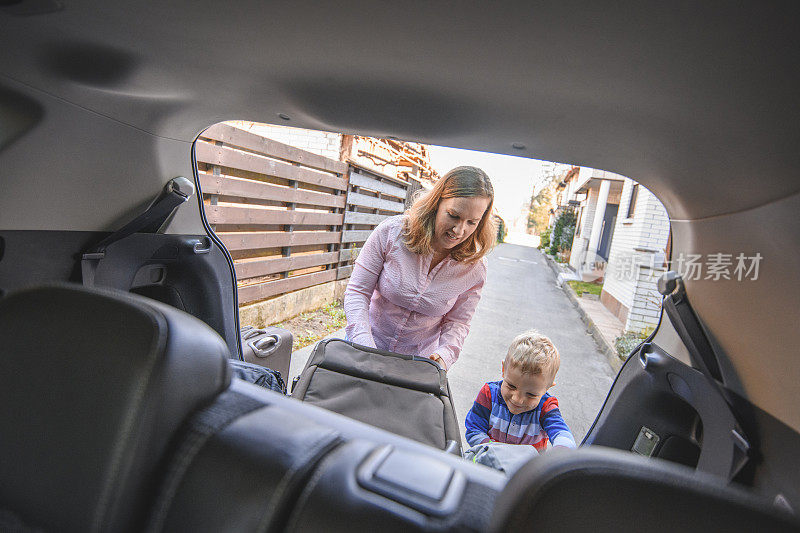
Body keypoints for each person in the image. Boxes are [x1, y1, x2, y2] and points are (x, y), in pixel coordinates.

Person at [343, 166, 495, 369]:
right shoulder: (391, 233)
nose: (459, 230)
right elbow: (357, 292)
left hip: (416, 366)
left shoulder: (475, 268)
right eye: (453, 215)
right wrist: (364, 346)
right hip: (362, 350)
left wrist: (443, 356)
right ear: (436, 203)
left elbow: (458, 323)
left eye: (472, 222)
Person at [464, 331, 576, 451]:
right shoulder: (489, 394)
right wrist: (492, 450)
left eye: (531, 394)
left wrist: (562, 451)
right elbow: (474, 429)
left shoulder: (546, 407)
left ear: (547, 388)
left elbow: (562, 433)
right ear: (503, 369)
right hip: (489, 461)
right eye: (511, 386)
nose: (517, 399)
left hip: (527, 469)